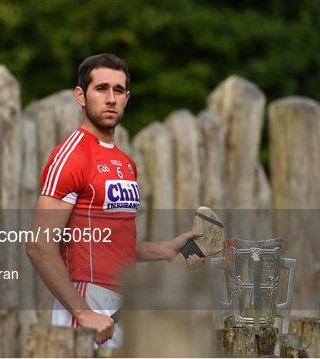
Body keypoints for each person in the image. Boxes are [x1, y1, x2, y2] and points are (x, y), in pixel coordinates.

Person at [26, 53, 203, 348]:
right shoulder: (70, 156)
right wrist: (83, 312)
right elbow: (39, 245)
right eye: (101, 89)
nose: (111, 98)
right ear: (81, 96)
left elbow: (106, 242)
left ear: (127, 97)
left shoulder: (125, 163)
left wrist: (165, 249)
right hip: (85, 301)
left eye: (118, 90)